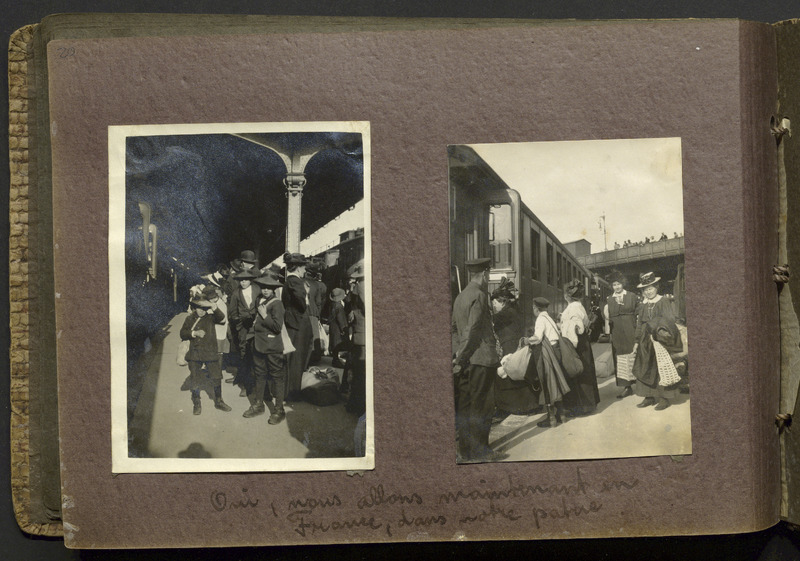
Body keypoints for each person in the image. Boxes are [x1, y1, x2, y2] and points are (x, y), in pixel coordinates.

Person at [451, 257, 499, 462]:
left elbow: (454, 329)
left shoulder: (460, 297)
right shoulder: (479, 295)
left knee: (465, 406)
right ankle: (481, 452)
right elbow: (473, 330)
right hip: (480, 359)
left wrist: (457, 356)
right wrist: (462, 357)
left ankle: (466, 449)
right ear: (485, 275)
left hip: (465, 360)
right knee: (483, 406)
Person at [632, 272, 683, 410]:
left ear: (656, 287)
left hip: (659, 339)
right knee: (644, 365)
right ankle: (648, 396)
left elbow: (669, 320)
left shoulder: (663, 301)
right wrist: (637, 342)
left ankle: (663, 398)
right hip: (644, 339)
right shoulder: (643, 305)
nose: (648, 292)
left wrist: (655, 330)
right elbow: (639, 323)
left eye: (651, 288)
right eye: (645, 289)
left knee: (660, 366)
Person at [243, 273, 287, 424]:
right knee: (259, 375)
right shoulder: (258, 300)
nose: (266, 290)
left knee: (277, 377)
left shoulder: (277, 304)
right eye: (264, 287)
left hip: (272, 346)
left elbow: (277, 327)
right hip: (258, 345)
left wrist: (264, 315)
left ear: (274, 289)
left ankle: (279, 409)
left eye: (269, 288)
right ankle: (258, 404)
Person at [490, 278, 539, 415]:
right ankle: (524, 405)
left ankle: (512, 407)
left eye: (495, 303)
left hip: (509, 346)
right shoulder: (512, 310)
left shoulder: (506, 313)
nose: (494, 306)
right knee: (514, 373)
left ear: (502, 301)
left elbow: (491, 320)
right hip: (512, 344)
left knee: (510, 374)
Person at [523, 297, 571, 427]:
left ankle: (551, 419)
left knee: (548, 384)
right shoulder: (549, 318)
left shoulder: (540, 319)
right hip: (556, 351)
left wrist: (526, 340)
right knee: (557, 383)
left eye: (533, 308)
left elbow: (538, 338)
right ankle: (562, 415)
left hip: (548, 354)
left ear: (536, 308)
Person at [179, 296, 231, 415]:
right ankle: (197, 403)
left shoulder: (211, 318)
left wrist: (215, 307)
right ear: (194, 308)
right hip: (195, 353)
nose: (201, 311)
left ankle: (219, 401)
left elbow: (222, 318)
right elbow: (182, 333)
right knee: (195, 377)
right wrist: (194, 333)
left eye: (204, 308)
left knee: (217, 376)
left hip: (210, 352)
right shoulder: (189, 318)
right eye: (198, 308)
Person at [560, 279, 600, 417]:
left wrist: (569, 342)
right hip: (583, 343)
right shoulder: (579, 306)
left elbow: (577, 328)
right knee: (584, 371)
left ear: (567, 296)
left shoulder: (573, 307)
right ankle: (588, 404)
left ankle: (581, 407)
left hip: (576, 342)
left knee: (578, 371)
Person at [282, 252, 313, 400]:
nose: (305, 270)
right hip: (298, 321)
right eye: (303, 267)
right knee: (297, 358)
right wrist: (305, 298)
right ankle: (292, 393)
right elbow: (300, 300)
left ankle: (289, 390)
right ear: (299, 268)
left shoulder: (290, 280)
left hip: (292, 320)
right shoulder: (295, 280)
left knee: (293, 357)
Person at [604, 271, 638, 399]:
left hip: (631, 331)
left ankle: (640, 383)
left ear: (623, 284)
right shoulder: (609, 300)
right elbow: (607, 320)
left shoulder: (632, 296)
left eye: (618, 284)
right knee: (621, 359)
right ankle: (626, 387)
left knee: (635, 356)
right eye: (614, 285)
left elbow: (638, 314)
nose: (617, 287)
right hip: (617, 334)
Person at [228, 268, 259, 398]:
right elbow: (232, 312)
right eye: (241, 280)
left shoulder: (258, 290)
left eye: (246, 280)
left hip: (258, 326)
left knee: (257, 354)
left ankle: (258, 383)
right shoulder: (236, 293)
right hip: (243, 328)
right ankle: (246, 386)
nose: (244, 282)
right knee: (244, 354)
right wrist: (239, 323)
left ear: (250, 280)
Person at [345, 261, 367, 416]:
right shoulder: (363, 285)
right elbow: (368, 308)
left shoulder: (356, 286)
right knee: (362, 371)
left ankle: (353, 405)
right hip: (363, 333)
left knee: (359, 372)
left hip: (359, 333)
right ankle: (358, 407)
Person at [327, 287, 350, 369]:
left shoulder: (332, 304)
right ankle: (336, 360)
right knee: (337, 343)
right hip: (337, 327)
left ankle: (335, 359)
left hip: (333, 326)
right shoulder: (339, 306)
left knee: (334, 342)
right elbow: (341, 319)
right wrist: (343, 329)